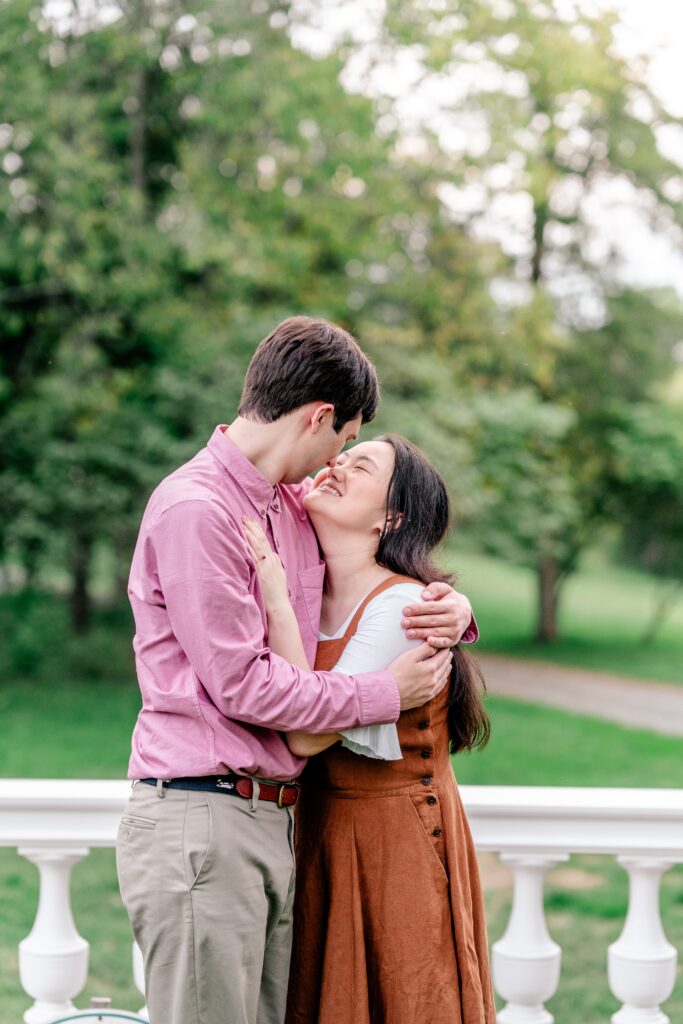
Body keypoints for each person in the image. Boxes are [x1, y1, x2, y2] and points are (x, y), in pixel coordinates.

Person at [116, 316, 478, 1024]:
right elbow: (245, 686)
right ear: (319, 417)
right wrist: (384, 693)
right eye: (344, 439)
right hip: (204, 817)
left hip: (277, 821)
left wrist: (455, 609)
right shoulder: (198, 510)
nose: (336, 461)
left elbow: (376, 571)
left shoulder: (287, 505)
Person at [243, 432, 495, 1024]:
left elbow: (305, 735)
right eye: (341, 456)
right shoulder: (314, 590)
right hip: (318, 831)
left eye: (361, 466)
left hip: (392, 843)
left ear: (391, 516)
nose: (336, 466)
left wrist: (276, 602)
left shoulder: (403, 608)